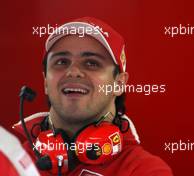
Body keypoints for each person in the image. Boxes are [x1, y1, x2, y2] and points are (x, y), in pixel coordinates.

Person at [13, 16, 173, 176]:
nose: (73, 71)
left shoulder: (145, 170)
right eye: (61, 61)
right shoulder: (11, 162)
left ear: (119, 84)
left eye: (92, 63)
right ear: (46, 82)